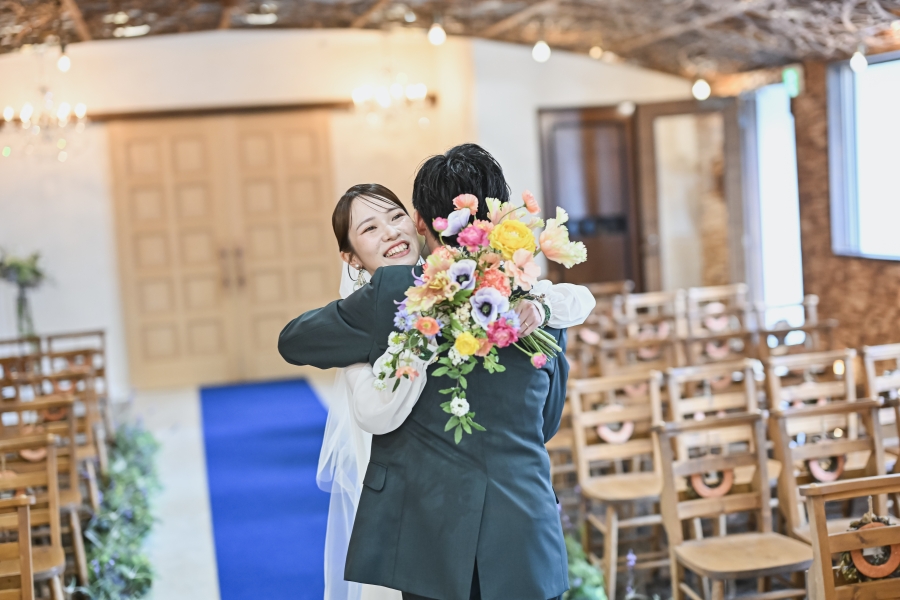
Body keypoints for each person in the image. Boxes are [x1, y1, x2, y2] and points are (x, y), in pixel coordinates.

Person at [280, 144, 577, 600]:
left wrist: (360, 355)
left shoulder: (395, 293)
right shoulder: (537, 300)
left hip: (432, 546)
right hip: (527, 540)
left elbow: (295, 340)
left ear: (419, 220)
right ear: (501, 213)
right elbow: (546, 422)